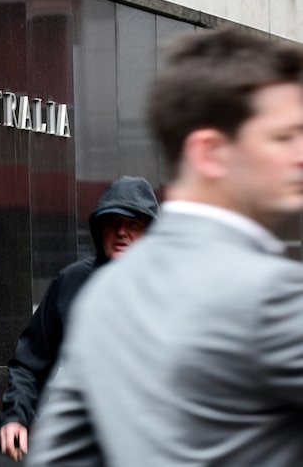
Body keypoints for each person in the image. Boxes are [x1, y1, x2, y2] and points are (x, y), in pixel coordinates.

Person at [27, 29, 303, 466]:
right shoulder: (276, 295)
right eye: (282, 137)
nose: (300, 154)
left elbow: (59, 456)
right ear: (210, 152)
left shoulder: (104, 296)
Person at [0, 176, 158, 462]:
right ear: (99, 229)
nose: (122, 232)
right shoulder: (71, 282)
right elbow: (29, 362)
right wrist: (15, 416)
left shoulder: (173, 287)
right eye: (113, 223)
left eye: (133, 224)